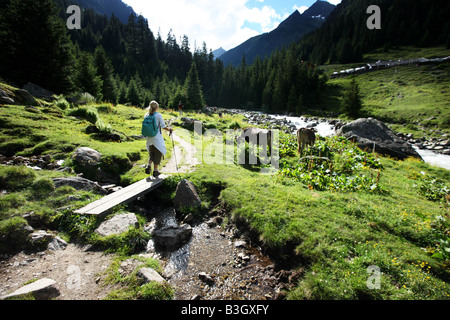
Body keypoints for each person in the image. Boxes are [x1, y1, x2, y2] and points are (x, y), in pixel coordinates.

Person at [145, 101, 173, 177]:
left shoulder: (146, 115)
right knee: (158, 152)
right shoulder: (158, 115)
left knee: (152, 152)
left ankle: (149, 165)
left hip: (149, 137)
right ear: (157, 107)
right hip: (157, 137)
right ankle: (155, 170)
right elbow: (163, 126)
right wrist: (170, 129)